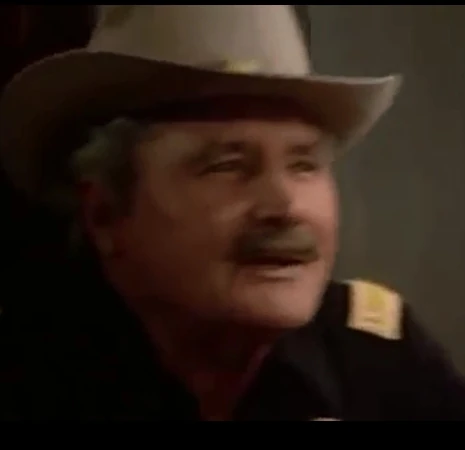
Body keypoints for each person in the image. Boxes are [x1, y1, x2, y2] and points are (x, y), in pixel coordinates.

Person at [0, 5, 464, 421]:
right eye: (227, 166)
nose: (284, 206)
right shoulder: (30, 379)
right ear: (104, 214)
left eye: (304, 164)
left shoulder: (381, 364)